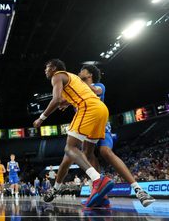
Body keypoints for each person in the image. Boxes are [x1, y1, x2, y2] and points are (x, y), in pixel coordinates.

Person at [53, 64, 154, 207]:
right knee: (87, 155)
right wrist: (62, 101)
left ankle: (139, 190)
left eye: (82, 70)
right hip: (88, 126)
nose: (79, 72)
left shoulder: (98, 85)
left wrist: (75, 87)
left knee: (105, 151)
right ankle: (101, 194)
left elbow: (95, 90)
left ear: (89, 75)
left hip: (102, 126)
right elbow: (65, 100)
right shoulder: (80, 91)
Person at [33, 59, 113, 207]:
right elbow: (73, 96)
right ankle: (100, 196)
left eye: (47, 67)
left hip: (87, 109)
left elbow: (56, 99)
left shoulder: (57, 76)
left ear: (54, 68)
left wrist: (41, 118)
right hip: (102, 111)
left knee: (70, 148)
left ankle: (98, 180)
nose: (45, 70)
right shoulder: (73, 78)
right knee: (73, 156)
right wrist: (67, 101)